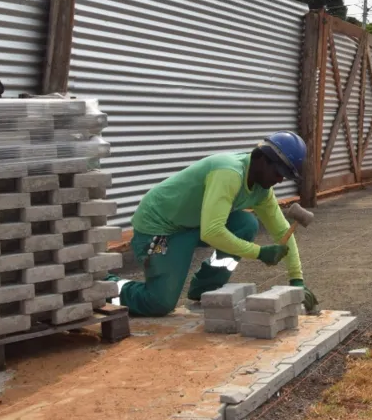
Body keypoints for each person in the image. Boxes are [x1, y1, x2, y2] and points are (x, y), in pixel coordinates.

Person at [111, 131, 317, 316]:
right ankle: (107, 286)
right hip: (159, 229)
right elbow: (212, 232)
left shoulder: (261, 191)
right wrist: (259, 252)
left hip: (191, 224)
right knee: (159, 303)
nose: (280, 180)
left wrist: (296, 279)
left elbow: (282, 231)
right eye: (278, 172)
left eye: (285, 176)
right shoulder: (229, 173)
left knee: (246, 223)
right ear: (261, 158)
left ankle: (205, 288)